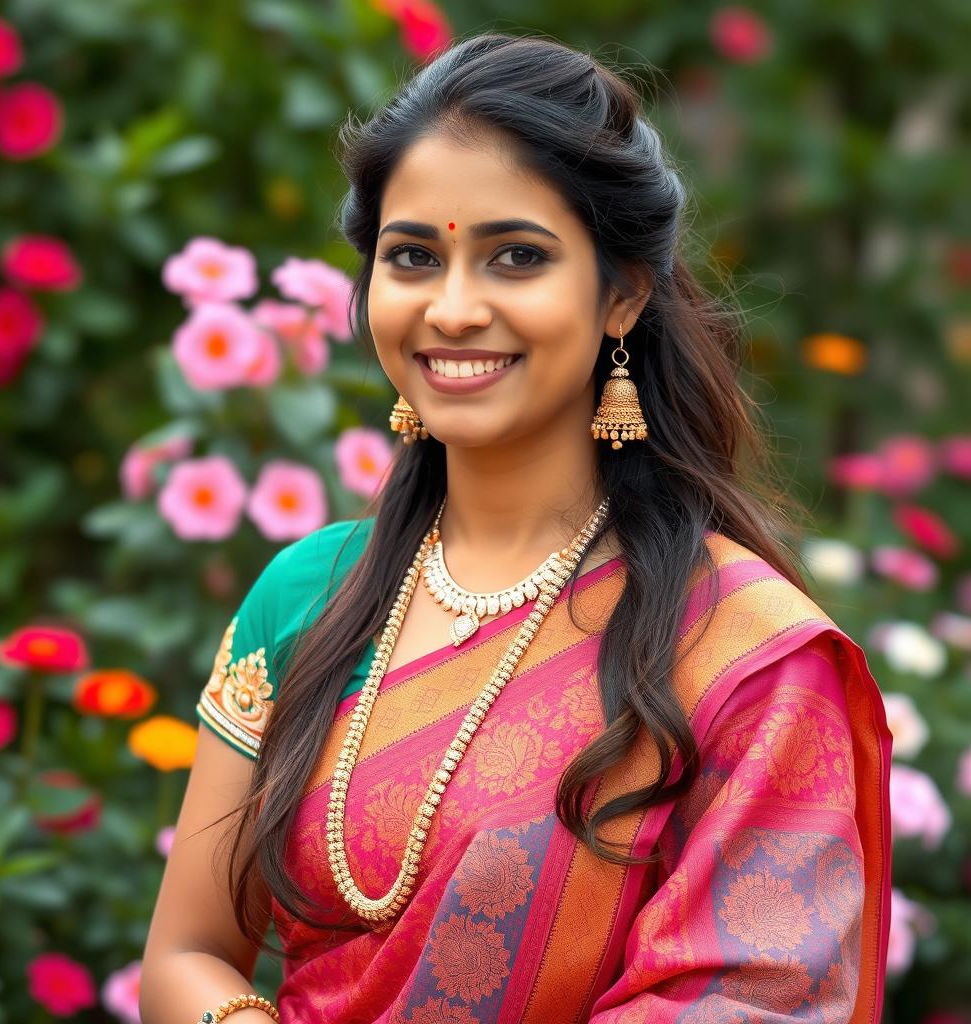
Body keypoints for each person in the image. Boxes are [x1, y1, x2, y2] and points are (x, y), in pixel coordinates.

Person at [140, 32, 892, 1024]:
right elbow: (186, 952)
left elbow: (753, 998)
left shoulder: (740, 657)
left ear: (621, 291)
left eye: (516, 258)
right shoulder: (304, 597)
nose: (452, 308)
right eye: (413, 257)